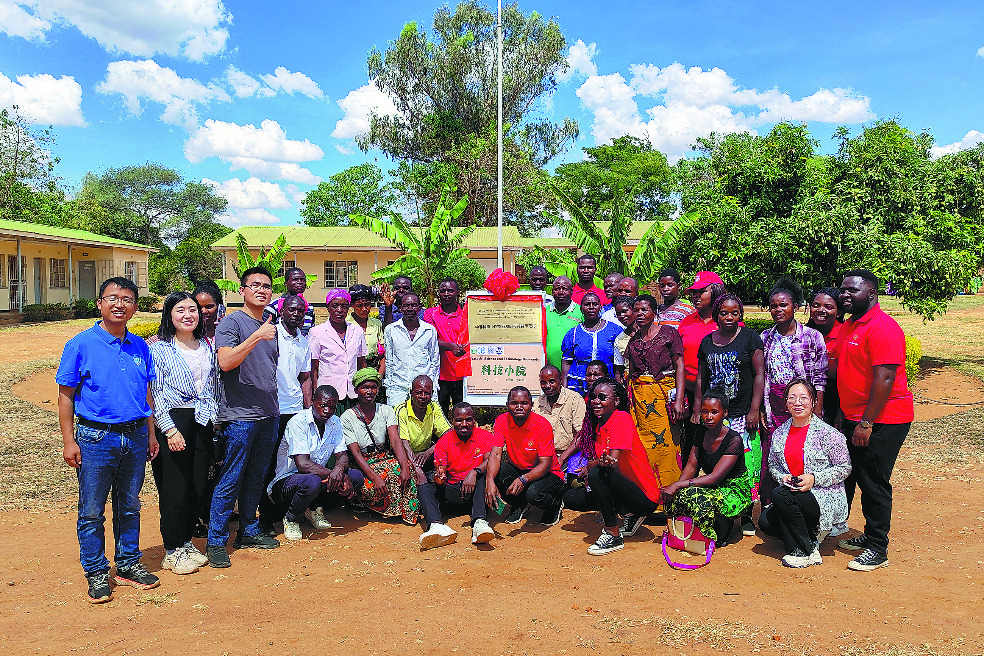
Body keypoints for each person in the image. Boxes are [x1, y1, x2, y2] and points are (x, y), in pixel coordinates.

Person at [57, 277, 161, 603]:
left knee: (129, 505)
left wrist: (151, 433)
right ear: (100, 303)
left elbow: (146, 394)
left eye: (127, 299)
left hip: (135, 436)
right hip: (95, 438)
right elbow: (65, 395)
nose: (120, 304)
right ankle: (96, 572)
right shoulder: (80, 344)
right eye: (112, 298)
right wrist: (69, 441)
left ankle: (128, 564)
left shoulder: (140, 346)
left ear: (135, 307)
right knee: (91, 510)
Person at [834, 270, 914, 572]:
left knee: (874, 482)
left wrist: (866, 423)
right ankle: (868, 535)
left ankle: (878, 549)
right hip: (856, 416)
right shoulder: (850, 324)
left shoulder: (883, 328)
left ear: (871, 293)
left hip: (883, 419)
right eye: (843, 289)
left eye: (852, 290)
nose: (845, 294)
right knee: (860, 476)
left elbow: (885, 379)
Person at [209, 266, 282, 568]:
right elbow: (225, 362)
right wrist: (257, 336)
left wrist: (264, 332)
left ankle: (248, 531)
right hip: (240, 416)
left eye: (266, 286)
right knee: (231, 477)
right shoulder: (232, 322)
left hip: (268, 413)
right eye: (255, 285)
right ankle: (216, 541)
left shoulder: (270, 324)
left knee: (256, 477)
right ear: (242, 290)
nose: (261, 290)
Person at [149, 291, 219, 576]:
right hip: (174, 420)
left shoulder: (206, 345)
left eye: (192, 310)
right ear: (169, 315)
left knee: (198, 484)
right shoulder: (159, 349)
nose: (188, 315)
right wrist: (169, 430)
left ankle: (186, 541)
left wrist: (213, 417)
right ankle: (172, 548)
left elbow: (212, 385)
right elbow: (155, 393)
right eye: (180, 310)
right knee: (174, 487)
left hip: (202, 419)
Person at [759, 380, 851, 568]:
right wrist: (782, 477)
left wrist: (814, 479)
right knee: (766, 522)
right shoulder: (780, 433)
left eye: (803, 398)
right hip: (792, 494)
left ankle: (802, 551)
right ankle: (811, 539)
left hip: (821, 495)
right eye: (792, 398)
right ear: (786, 403)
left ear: (814, 401)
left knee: (779, 494)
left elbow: (844, 467)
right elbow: (773, 465)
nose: (797, 403)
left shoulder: (828, 433)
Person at [694, 292, 764, 535]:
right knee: (720, 464)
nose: (729, 317)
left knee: (747, 466)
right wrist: (697, 408)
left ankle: (746, 514)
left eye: (735, 313)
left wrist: (754, 409)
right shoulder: (707, 342)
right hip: (715, 416)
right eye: (724, 313)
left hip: (742, 414)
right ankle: (723, 510)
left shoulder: (749, 338)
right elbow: (701, 377)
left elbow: (759, 374)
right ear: (716, 315)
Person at [572, 379, 663, 555]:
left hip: (644, 495)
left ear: (617, 401)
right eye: (593, 397)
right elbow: (603, 461)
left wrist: (592, 466)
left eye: (602, 397)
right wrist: (593, 466)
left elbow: (611, 462)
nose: (596, 401)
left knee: (597, 474)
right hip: (626, 488)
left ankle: (612, 534)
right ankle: (630, 515)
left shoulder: (621, 419)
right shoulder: (599, 426)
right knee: (573, 497)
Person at [760, 278, 828, 506]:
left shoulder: (812, 336)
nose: (778, 310)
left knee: (802, 451)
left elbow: (819, 378)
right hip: (774, 404)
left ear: (795, 307)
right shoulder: (765, 338)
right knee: (774, 453)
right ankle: (772, 505)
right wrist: (762, 409)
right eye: (773, 306)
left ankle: (803, 506)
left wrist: (816, 410)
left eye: (783, 305)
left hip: (803, 405)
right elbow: (763, 376)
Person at [662, 390, 753, 547]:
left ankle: (724, 525)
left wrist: (677, 485)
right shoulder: (700, 432)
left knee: (700, 499)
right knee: (679, 496)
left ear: (725, 413)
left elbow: (715, 477)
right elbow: (691, 465)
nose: (709, 417)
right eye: (705, 411)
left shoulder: (734, 439)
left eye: (714, 412)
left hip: (733, 489)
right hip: (712, 486)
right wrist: (676, 490)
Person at [257, 294, 313, 534]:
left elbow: (305, 378)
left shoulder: (304, 341)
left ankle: (286, 513)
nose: (296, 314)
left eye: (301, 311)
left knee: (290, 464)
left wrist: (307, 411)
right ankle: (265, 519)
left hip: (294, 411)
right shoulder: (270, 335)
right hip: (271, 410)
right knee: (268, 464)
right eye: (292, 309)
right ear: (282, 311)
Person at [268, 385, 352, 541]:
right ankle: (291, 518)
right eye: (323, 405)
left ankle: (313, 509)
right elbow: (303, 464)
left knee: (355, 477)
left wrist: (339, 469)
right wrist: (334, 474)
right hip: (286, 483)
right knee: (312, 481)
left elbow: (343, 456)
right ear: (313, 401)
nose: (327, 410)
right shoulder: (298, 422)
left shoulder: (335, 422)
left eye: (332, 407)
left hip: (316, 479)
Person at [624, 294, 686, 492]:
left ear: (654, 312)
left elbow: (680, 367)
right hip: (642, 403)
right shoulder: (633, 342)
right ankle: (650, 493)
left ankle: (669, 491)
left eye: (645, 310)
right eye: (636, 310)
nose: (640, 314)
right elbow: (631, 374)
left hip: (665, 398)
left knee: (668, 444)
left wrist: (678, 400)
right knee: (645, 445)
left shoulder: (669, 334)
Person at [342, 367, 419, 524]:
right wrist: (375, 477)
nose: (369, 391)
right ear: (356, 390)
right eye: (365, 387)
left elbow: (395, 440)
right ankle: (371, 505)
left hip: (383, 457)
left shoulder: (386, 410)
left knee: (406, 468)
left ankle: (408, 513)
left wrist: (405, 467)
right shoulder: (347, 418)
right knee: (381, 477)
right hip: (362, 463)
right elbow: (356, 453)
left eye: (373, 387)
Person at [418, 403, 496, 549]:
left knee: (484, 475)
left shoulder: (485, 436)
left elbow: (491, 460)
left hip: (477, 495)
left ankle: (479, 522)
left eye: (468, 419)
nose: (464, 424)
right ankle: (436, 526)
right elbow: (441, 471)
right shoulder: (444, 442)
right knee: (424, 488)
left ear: (474, 420)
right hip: (454, 492)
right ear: (452, 421)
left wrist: (474, 472)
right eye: (459, 420)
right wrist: (439, 479)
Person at [486, 387, 566, 526]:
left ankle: (555, 505)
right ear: (507, 405)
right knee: (495, 474)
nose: (519, 407)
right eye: (514, 403)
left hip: (548, 473)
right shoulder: (502, 420)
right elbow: (496, 454)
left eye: (524, 403)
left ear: (531, 405)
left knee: (533, 494)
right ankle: (520, 505)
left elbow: (545, 465)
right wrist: (490, 481)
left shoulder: (542, 425)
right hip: (518, 468)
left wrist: (523, 479)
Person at [677, 272, 726, 457]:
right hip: (690, 391)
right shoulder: (686, 322)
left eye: (701, 291)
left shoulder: (727, 321)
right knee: (691, 440)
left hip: (719, 392)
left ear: (716, 291)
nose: (696, 296)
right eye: (693, 293)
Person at [309, 289, 367, 413]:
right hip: (328, 394)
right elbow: (314, 368)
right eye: (335, 306)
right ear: (327, 307)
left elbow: (362, 363)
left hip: (352, 393)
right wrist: (315, 393)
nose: (340, 310)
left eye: (344, 306)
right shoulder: (317, 332)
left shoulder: (357, 331)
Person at [423, 278, 471, 417]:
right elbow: (429, 339)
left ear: (458, 292)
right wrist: (451, 346)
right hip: (440, 375)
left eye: (450, 290)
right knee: (440, 413)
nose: (446, 293)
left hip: (462, 375)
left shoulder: (466, 315)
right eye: (443, 291)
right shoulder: (430, 314)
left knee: (461, 413)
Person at [383, 292, 440, 407]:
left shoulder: (429, 330)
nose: (410, 309)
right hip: (398, 388)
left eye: (414, 305)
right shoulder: (391, 330)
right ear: (400, 308)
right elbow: (389, 361)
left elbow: (434, 360)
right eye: (406, 305)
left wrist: (432, 385)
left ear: (419, 307)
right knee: (397, 418)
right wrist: (390, 387)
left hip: (423, 389)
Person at [561, 292, 623, 394]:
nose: (591, 307)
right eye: (587, 304)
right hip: (579, 385)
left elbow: (620, 363)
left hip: (607, 385)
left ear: (600, 308)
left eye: (595, 304)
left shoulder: (614, 330)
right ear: (581, 309)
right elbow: (566, 362)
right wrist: (564, 389)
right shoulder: (573, 333)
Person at [396, 375, 453, 482]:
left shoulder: (434, 407)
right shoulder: (402, 410)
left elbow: (449, 434)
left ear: (432, 393)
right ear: (411, 392)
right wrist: (417, 468)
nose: (423, 396)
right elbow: (403, 444)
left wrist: (429, 452)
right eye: (418, 392)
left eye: (427, 393)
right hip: (405, 457)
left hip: (426, 455)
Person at [536, 364, 587, 478]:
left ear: (560, 380)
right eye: (543, 382)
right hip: (543, 457)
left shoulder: (575, 399)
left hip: (569, 456)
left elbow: (581, 434)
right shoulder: (537, 403)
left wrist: (562, 458)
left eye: (552, 381)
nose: (547, 386)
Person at [807, 287, 843, 422]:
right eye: (816, 305)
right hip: (808, 394)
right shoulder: (804, 334)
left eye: (828, 307)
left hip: (836, 396)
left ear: (839, 312)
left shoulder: (844, 335)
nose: (821, 310)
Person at [545, 276, 582, 370]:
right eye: (557, 289)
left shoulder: (581, 311)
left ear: (572, 291)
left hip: (573, 369)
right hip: (548, 369)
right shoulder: (544, 311)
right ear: (552, 292)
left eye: (565, 289)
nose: (561, 292)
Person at [348, 284, 385, 376]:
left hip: (373, 372)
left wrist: (378, 376)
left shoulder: (376, 323)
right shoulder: (346, 324)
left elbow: (383, 353)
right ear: (352, 305)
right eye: (359, 305)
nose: (364, 309)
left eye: (367, 304)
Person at [267, 267, 316, 336]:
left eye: (303, 280)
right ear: (286, 283)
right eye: (295, 279)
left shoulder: (309, 308)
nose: (300, 282)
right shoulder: (273, 306)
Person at [611, 298, 637, 383]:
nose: (622, 316)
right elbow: (619, 369)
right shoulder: (619, 340)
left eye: (625, 311)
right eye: (618, 314)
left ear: (634, 310)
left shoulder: (648, 333)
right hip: (631, 383)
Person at [193, 280, 225, 347]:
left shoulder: (227, 333)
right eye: (199, 307)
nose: (204, 311)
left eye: (209, 307)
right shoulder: (187, 335)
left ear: (219, 307)